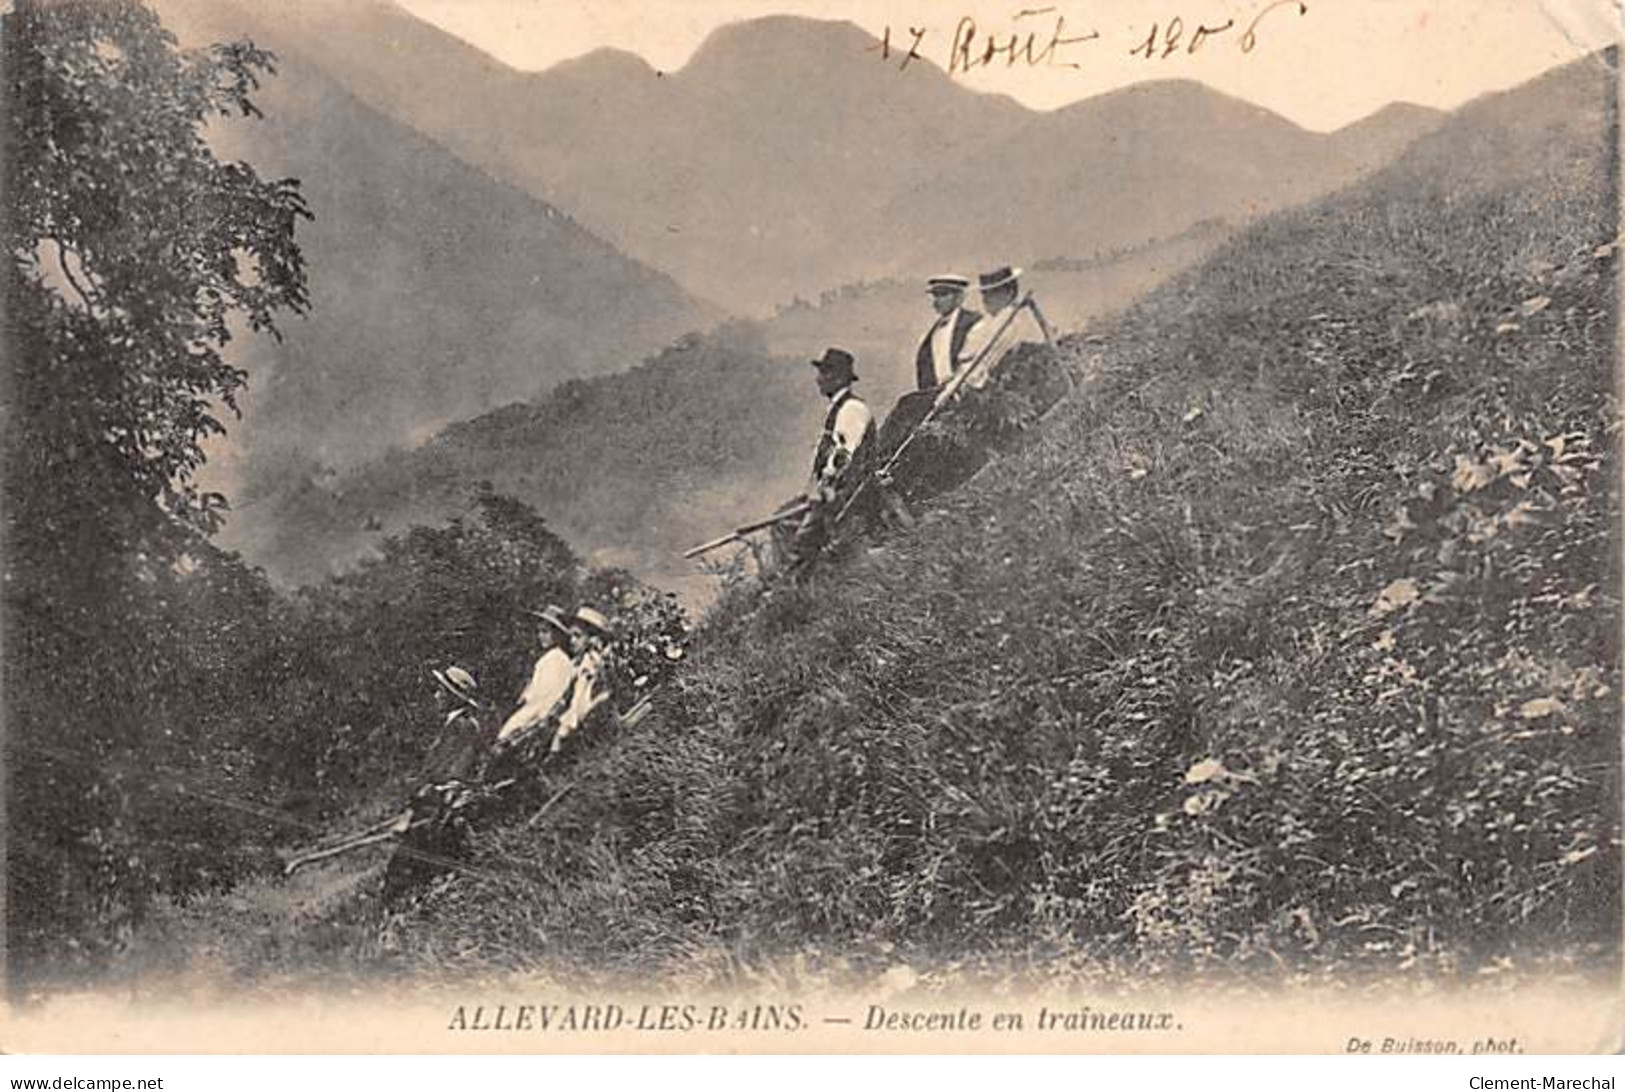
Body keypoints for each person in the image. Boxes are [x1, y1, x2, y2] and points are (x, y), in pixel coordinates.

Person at [775, 348, 876, 573]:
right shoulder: (837, 408)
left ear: (838, 378)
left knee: (800, 538)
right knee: (782, 520)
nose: (818, 379)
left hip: (848, 492)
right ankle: (786, 581)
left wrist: (825, 487)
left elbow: (844, 455)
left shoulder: (853, 409)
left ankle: (789, 586)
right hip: (831, 490)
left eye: (823, 373)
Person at [958, 266, 1052, 393]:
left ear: (1009, 293)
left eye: (993, 292)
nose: (986, 299)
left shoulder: (1015, 319)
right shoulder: (987, 323)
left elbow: (991, 359)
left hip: (1009, 385)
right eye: (984, 293)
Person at [496, 606, 577, 750]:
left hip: (536, 722)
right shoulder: (552, 659)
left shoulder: (555, 660)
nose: (541, 636)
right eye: (539, 631)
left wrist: (518, 728)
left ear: (557, 634)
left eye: (545, 632)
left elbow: (543, 702)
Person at [548, 606, 614, 755]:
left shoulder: (589, 665)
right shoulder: (578, 663)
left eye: (578, 636)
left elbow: (579, 705)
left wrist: (560, 734)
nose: (572, 641)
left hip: (577, 735)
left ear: (592, 639)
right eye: (571, 636)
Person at [914, 274, 982, 393]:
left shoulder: (974, 324)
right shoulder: (930, 335)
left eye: (943, 295)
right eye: (935, 295)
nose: (937, 301)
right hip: (938, 399)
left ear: (959, 297)